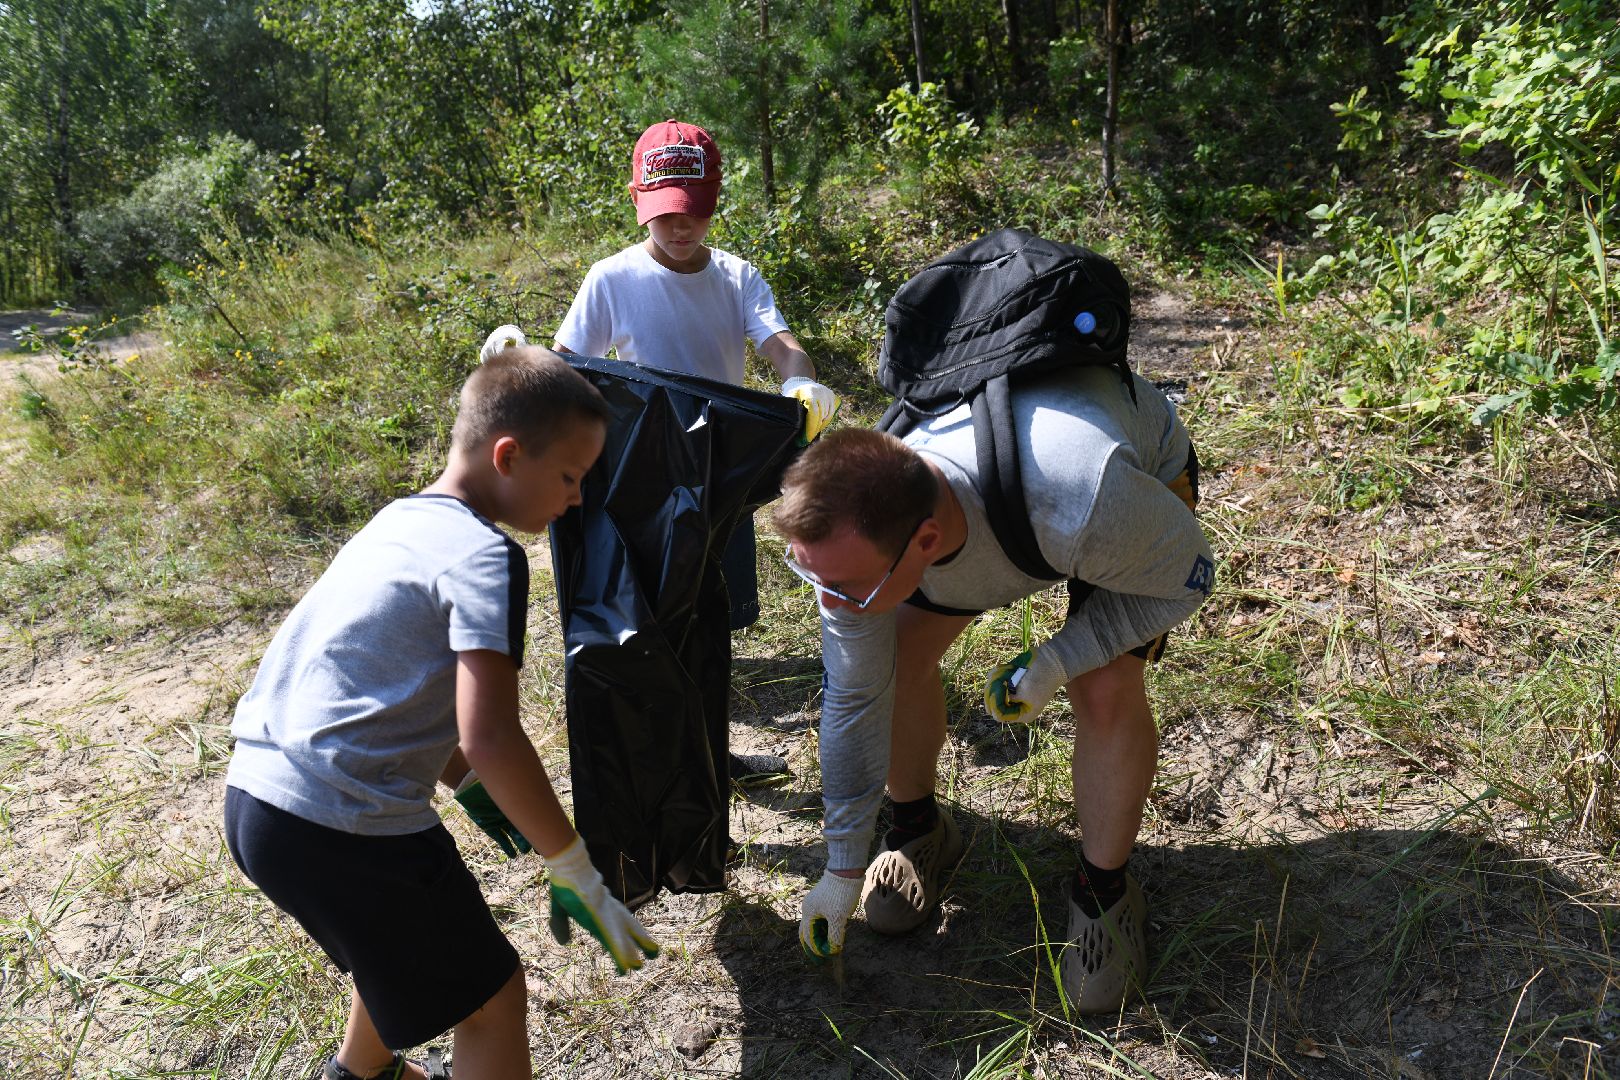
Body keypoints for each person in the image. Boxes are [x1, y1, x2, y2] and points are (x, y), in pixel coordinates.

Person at [223, 346, 660, 1080]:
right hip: (345, 824)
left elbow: (382, 685)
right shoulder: (486, 557)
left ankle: (363, 1074)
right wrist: (573, 865)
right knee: (491, 1000)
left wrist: (463, 783)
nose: (577, 497)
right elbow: (490, 733)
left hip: (259, 802)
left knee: (400, 947)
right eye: (570, 476)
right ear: (508, 455)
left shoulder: (399, 521)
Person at [775, 365, 1214, 1014]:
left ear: (923, 543)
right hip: (993, 526)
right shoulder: (852, 544)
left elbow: (1187, 577)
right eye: (817, 579)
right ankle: (920, 829)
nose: (833, 604)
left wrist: (1059, 660)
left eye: (846, 589)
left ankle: (1104, 892)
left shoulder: (1086, 504)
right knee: (891, 659)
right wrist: (841, 866)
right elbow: (854, 697)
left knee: (1101, 686)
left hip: (1117, 491)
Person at [496, 117, 838, 782]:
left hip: (721, 473)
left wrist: (800, 381)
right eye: (664, 216)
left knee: (714, 613)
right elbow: (571, 367)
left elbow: (780, 342)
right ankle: (679, 755)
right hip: (646, 479)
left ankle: (708, 745)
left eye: (694, 213)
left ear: (713, 203)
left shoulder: (737, 278)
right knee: (660, 621)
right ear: (637, 203)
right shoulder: (612, 279)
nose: (680, 229)